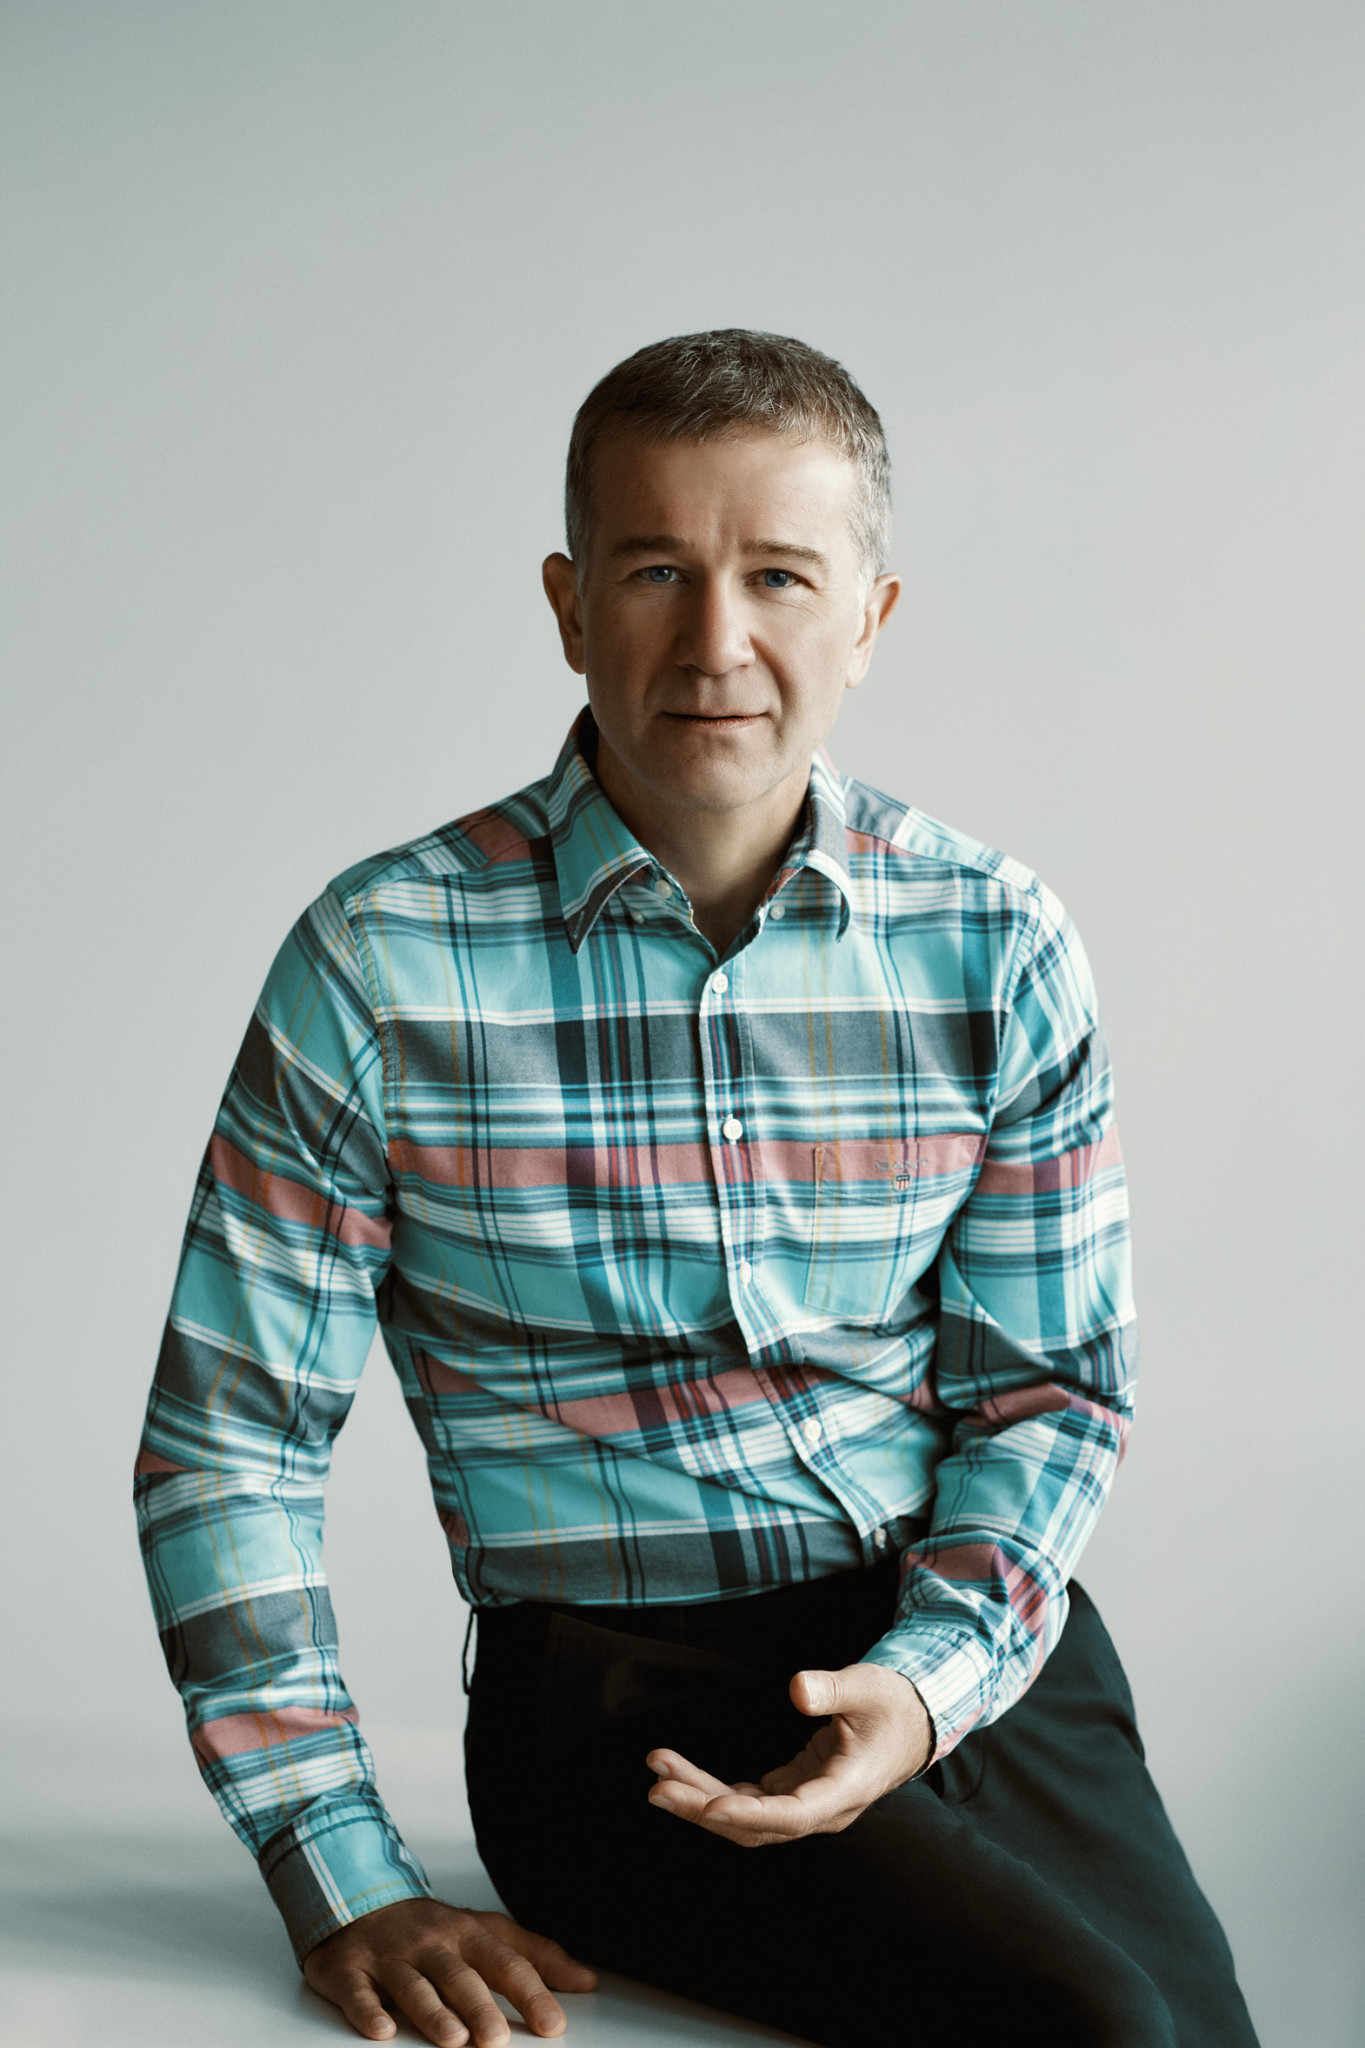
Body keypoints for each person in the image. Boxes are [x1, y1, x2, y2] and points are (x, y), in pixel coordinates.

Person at [136, 330, 1258, 2048]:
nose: (716, 641)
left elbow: (1048, 1393)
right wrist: (339, 1873)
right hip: (617, 1699)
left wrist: (925, 1686)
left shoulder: (995, 937)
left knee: (1200, 2032)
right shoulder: (379, 962)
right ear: (568, 604)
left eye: (779, 576)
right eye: (657, 570)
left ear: (868, 619)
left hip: (966, 1639)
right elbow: (230, 1444)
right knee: (1095, 2027)